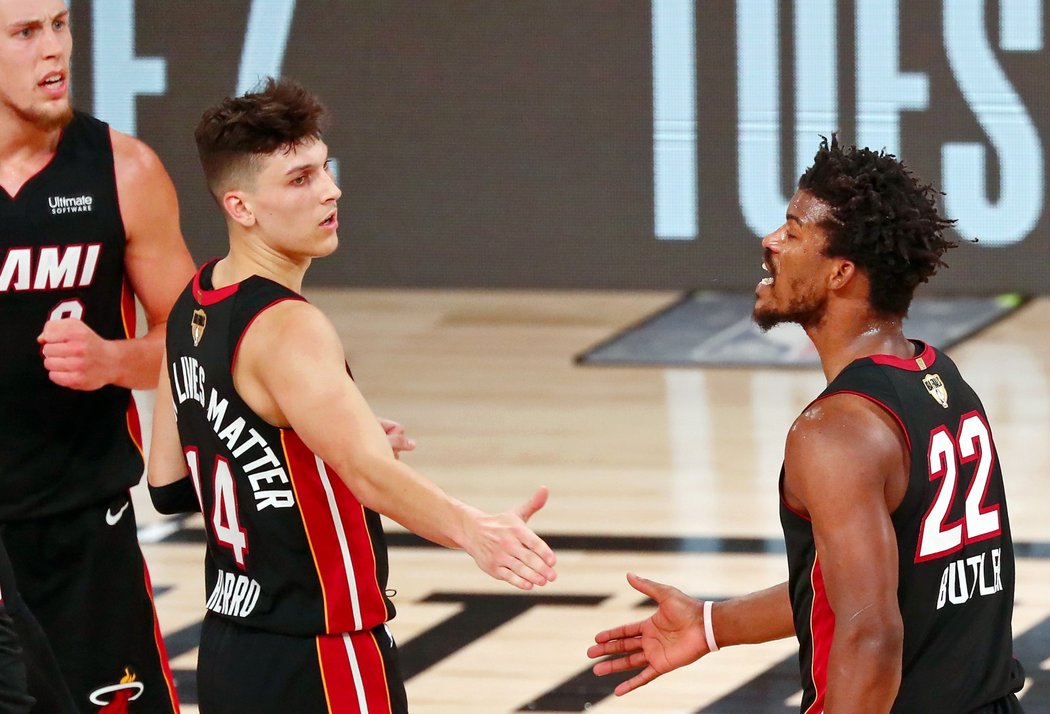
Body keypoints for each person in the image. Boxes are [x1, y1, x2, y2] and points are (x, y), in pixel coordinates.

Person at [145, 77, 558, 714]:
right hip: (323, 652)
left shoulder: (191, 301)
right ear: (241, 206)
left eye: (325, 168)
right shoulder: (289, 326)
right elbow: (367, 475)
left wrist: (316, 441)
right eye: (299, 179)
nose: (331, 190)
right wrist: (474, 532)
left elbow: (171, 486)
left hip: (230, 651)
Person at [587, 136, 1025, 713]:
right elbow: (871, 589)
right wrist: (713, 624)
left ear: (841, 272)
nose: (770, 242)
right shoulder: (939, 379)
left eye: (793, 232)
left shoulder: (834, 431)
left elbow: (871, 634)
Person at [0, 0, 196, 710]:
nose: (54, 50)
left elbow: (197, 337)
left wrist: (114, 361)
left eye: (60, 24)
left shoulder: (125, 171)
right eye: (25, 32)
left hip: (85, 532)